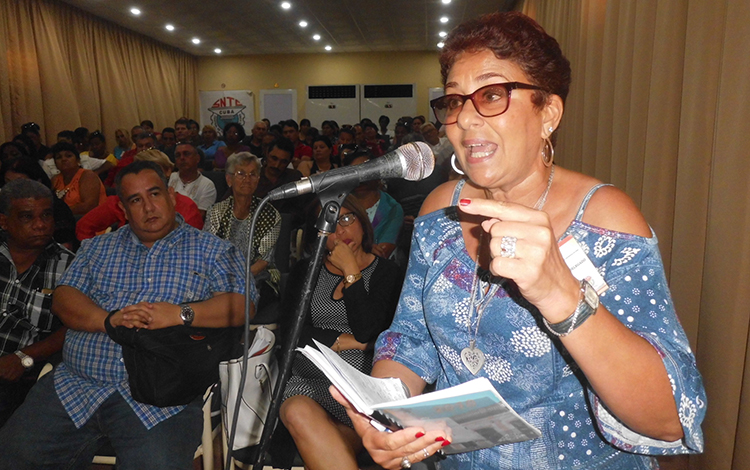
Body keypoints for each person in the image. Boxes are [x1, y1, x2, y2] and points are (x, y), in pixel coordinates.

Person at [333, 11, 705, 470]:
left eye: (491, 95)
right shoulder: (440, 210)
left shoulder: (604, 218)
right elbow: (411, 338)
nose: (465, 118)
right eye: (454, 101)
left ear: (547, 112)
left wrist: (560, 294)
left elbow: (669, 419)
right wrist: (382, 416)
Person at [0, 160, 253, 469]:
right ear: (122, 208)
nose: (148, 207)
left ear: (172, 196)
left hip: (160, 399)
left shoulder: (214, 251)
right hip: (75, 385)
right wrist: (108, 321)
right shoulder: (97, 249)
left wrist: (180, 313)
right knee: (12, 456)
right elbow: (64, 300)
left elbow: (244, 305)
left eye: (155, 194)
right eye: (135, 200)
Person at [280, 195, 401, 470]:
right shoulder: (306, 272)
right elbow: (290, 334)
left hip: (362, 391)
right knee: (298, 411)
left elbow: (371, 330)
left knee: (328, 449)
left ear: (362, 221)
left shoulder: (387, 274)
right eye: (330, 224)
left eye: (347, 218)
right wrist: (348, 343)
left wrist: (350, 270)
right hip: (309, 382)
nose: (340, 230)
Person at [0, 179, 74, 427]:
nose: (40, 225)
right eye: (27, 217)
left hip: (22, 372)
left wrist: (24, 357)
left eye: (46, 215)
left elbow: (73, 327)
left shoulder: (70, 266)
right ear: (4, 222)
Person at [204, 152, 281, 312]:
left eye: (253, 174)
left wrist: (236, 279)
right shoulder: (216, 211)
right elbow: (208, 252)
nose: (247, 179)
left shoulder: (270, 214)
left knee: (233, 305)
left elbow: (264, 261)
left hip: (259, 278)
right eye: (241, 174)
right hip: (220, 277)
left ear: (258, 180)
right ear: (229, 179)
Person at [76, 149, 203, 240]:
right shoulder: (119, 203)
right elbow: (84, 227)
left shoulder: (186, 206)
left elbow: (192, 246)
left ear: (168, 171)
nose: (148, 207)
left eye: (152, 170)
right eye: (136, 200)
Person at [2, 156, 77, 251]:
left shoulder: (57, 208)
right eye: (7, 183)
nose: (12, 189)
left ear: (38, 181)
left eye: (19, 184)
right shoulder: (4, 206)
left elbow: (65, 246)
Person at [345, 152, 404, 260]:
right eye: (354, 173)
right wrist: (366, 249)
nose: (360, 178)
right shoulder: (340, 205)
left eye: (366, 172)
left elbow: (382, 253)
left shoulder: (392, 209)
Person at [50, 142, 107, 216]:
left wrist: (61, 212)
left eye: (68, 156)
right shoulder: (55, 179)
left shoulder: (87, 176)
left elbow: (89, 206)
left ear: (78, 160)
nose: (63, 159)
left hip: (91, 218)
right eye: (59, 157)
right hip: (65, 220)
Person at [169, 142, 217, 218]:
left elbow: (199, 216)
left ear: (197, 158)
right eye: (178, 155)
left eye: (186, 154)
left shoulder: (207, 185)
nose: (182, 158)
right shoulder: (170, 178)